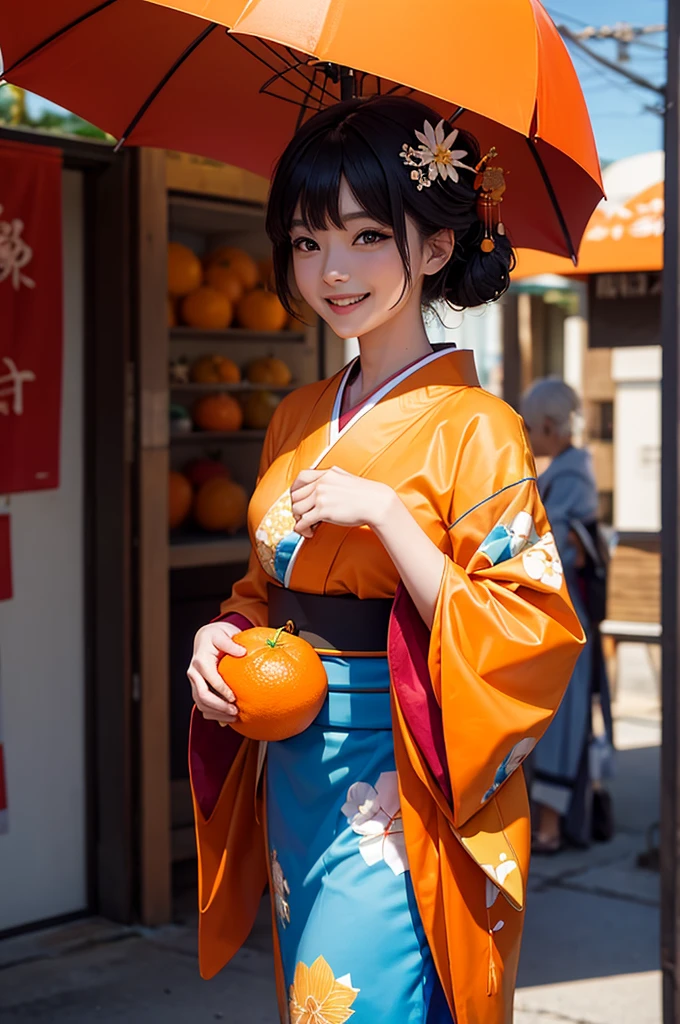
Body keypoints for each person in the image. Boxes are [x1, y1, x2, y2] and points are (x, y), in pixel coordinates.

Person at [187, 96, 584, 1024]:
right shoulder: (297, 415)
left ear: (437, 248)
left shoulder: (479, 428)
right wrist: (227, 631)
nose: (332, 271)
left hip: (402, 767)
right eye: (307, 240)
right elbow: (264, 582)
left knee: (366, 999)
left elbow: (530, 627)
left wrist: (392, 521)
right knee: (314, 995)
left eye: (367, 236)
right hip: (293, 759)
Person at [521, 378, 613, 853]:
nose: (531, 436)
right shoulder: (575, 467)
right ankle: (568, 818)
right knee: (570, 716)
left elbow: (546, 542)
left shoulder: (571, 474)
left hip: (566, 618)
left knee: (562, 717)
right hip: (571, 614)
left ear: (551, 428)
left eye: (533, 428)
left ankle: (552, 828)